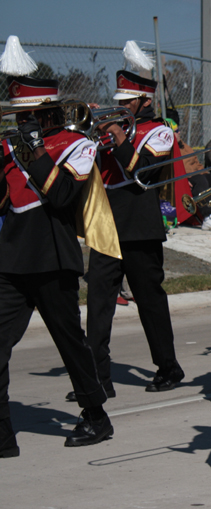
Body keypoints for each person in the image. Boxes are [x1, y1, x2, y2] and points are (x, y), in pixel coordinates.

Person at [1, 76, 113, 455]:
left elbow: (63, 196)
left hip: (52, 256)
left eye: (25, 116)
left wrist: (35, 148)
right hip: (11, 258)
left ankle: (96, 415)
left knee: (70, 343)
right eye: (16, 117)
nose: (19, 123)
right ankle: (3, 436)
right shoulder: (8, 147)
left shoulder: (79, 145)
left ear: (46, 114)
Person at [85, 69, 184, 396]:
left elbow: (141, 171)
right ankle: (98, 377)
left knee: (149, 301)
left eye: (126, 100)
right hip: (106, 224)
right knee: (99, 303)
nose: (120, 105)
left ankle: (168, 367)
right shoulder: (108, 132)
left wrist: (118, 135)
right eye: (118, 100)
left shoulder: (159, 131)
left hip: (140, 228)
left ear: (144, 100)